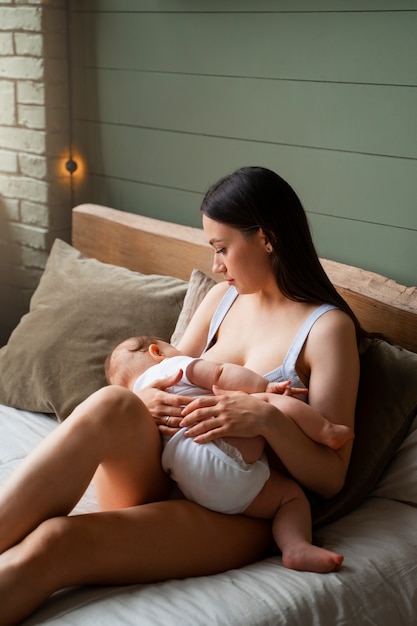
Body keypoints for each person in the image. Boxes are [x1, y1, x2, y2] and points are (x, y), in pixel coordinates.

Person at [0, 166, 362, 625]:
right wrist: (146, 403)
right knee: (115, 402)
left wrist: (266, 419)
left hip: (233, 508)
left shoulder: (326, 330)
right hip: (167, 468)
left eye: (222, 248)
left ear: (267, 238)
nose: (216, 266)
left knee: (54, 542)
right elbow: (169, 374)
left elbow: (331, 477)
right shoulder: (220, 300)